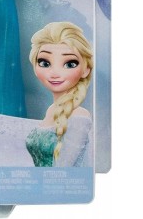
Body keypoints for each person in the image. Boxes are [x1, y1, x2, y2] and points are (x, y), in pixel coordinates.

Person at [26, 22, 93, 166]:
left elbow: (63, 169)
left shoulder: (79, 116)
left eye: (70, 64)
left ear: (86, 70)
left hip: (62, 180)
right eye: (44, 63)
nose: (55, 73)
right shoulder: (51, 110)